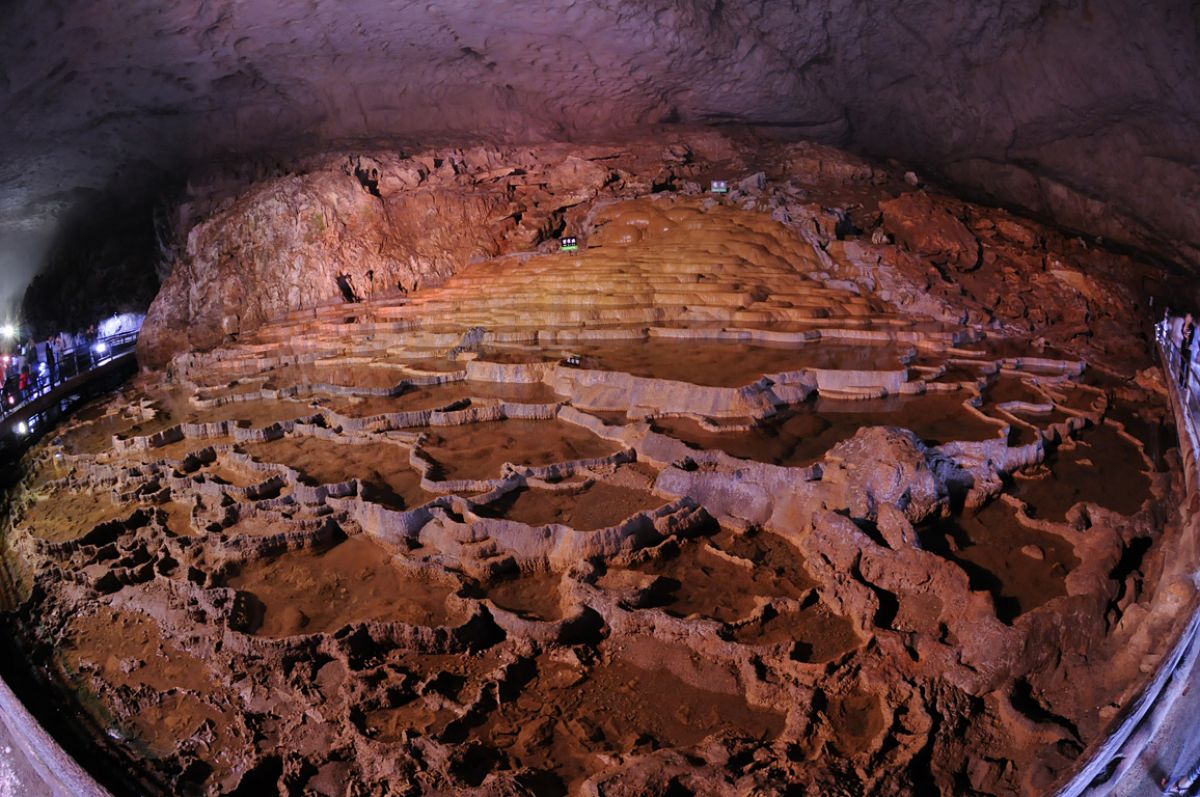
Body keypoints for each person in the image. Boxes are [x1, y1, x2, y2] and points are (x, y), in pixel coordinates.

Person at [1181, 313, 1196, 389]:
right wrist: (1185, 325)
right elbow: (1183, 334)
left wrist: (1186, 325)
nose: (1187, 317)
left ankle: (1185, 385)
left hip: (1188, 348)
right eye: (1186, 316)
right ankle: (1180, 383)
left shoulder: (1192, 327)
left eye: (1188, 316)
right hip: (1184, 346)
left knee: (1187, 367)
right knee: (1182, 364)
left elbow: (1188, 336)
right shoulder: (1184, 324)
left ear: (1191, 318)